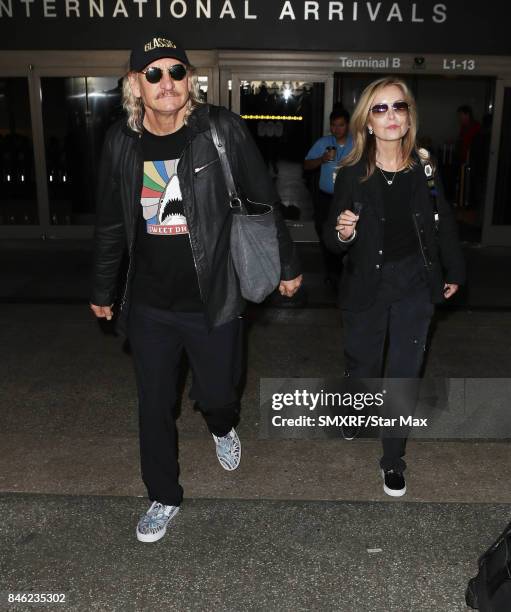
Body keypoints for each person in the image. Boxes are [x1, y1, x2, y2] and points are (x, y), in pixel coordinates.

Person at [90, 34, 302, 542]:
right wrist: (103, 287)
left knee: (218, 394)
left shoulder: (221, 131)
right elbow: (112, 226)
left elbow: (263, 200)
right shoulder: (121, 142)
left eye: (177, 72)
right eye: (154, 73)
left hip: (216, 297)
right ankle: (163, 495)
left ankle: (222, 424)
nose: (168, 82)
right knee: (153, 403)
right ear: (136, 85)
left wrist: (287, 266)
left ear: (191, 81)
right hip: (149, 305)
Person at [324, 77, 465, 497]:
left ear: (408, 117)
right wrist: (345, 232)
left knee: (404, 373)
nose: (390, 116)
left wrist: (453, 269)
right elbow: (332, 240)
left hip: (415, 283)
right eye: (380, 109)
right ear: (367, 121)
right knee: (364, 370)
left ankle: (392, 459)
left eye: (398, 107)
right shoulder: (351, 173)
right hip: (367, 283)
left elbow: (444, 223)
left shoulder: (426, 167)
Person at [304, 109, 353, 285]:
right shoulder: (324, 142)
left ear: (348, 125)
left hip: (348, 199)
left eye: (341, 125)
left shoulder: (356, 144)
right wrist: (322, 159)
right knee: (326, 234)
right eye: (333, 125)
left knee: (347, 234)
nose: (337, 129)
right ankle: (332, 273)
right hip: (325, 197)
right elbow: (307, 165)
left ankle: (345, 271)